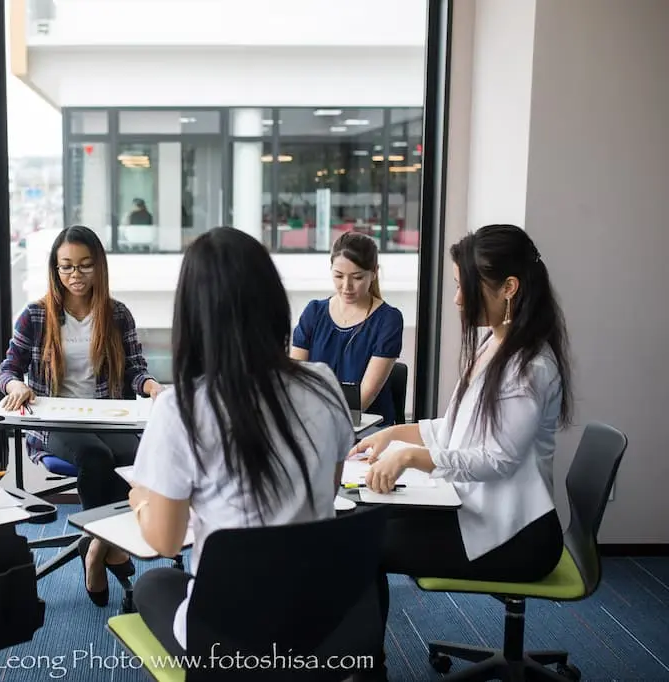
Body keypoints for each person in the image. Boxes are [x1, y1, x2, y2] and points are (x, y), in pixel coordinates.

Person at [350, 224, 572, 679]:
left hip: (516, 534)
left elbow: (498, 459)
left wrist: (411, 457)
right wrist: (394, 435)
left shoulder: (531, 365)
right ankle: (363, 662)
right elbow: (454, 429)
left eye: (463, 286)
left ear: (509, 288)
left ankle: (367, 671)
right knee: (359, 524)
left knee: (361, 547)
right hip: (476, 509)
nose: (456, 298)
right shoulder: (495, 343)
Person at [126, 227, 354, 656]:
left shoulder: (182, 408)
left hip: (233, 633)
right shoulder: (324, 383)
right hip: (318, 618)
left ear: (193, 315)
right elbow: (330, 487)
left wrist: (141, 499)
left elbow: (166, 543)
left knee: (154, 583)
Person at [0, 225, 162, 606]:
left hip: (107, 417)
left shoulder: (117, 314)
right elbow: (7, 369)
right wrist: (15, 386)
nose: (75, 275)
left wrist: (153, 387)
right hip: (55, 423)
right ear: (55, 269)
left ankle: (96, 545)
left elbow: (136, 369)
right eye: (66, 267)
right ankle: (106, 548)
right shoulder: (36, 316)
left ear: (99, 267)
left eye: (85, 266)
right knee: (96, 458)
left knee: (136, 456)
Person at [290, 232, 404, 425]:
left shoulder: (388, 320)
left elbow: (362, 401)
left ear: (374, 272)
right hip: (314, 424)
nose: (346, 286)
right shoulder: (314, 312)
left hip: (366, 431)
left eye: (357, 277)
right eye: (338, 276)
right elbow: (295, 381)